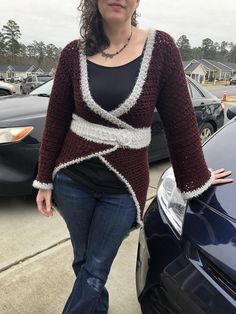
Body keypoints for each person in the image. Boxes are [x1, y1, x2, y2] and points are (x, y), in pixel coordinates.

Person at [33, 1, 233, 313]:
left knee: (95, 270)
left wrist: (197, 176)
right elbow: (57, 119)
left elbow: (179, 123)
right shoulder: (73, 54)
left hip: (123, 188)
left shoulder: (161, 50)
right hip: (73, 181)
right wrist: (44, 178)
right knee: (85, 265)